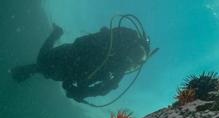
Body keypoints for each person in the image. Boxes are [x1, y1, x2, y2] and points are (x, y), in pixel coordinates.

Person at [11, 23, 154, 103]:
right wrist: (76, 72)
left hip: (73, 72)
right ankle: (56, 33)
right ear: (135, 44)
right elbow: (84, 43)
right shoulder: (116, 40)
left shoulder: (121, 65)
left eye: (139, 59)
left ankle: (26, 71)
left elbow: (107, 88)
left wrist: (83, 92)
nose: (133, 59)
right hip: (70, 57)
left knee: (45, 70)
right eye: (138, 53)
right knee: (42, 63)